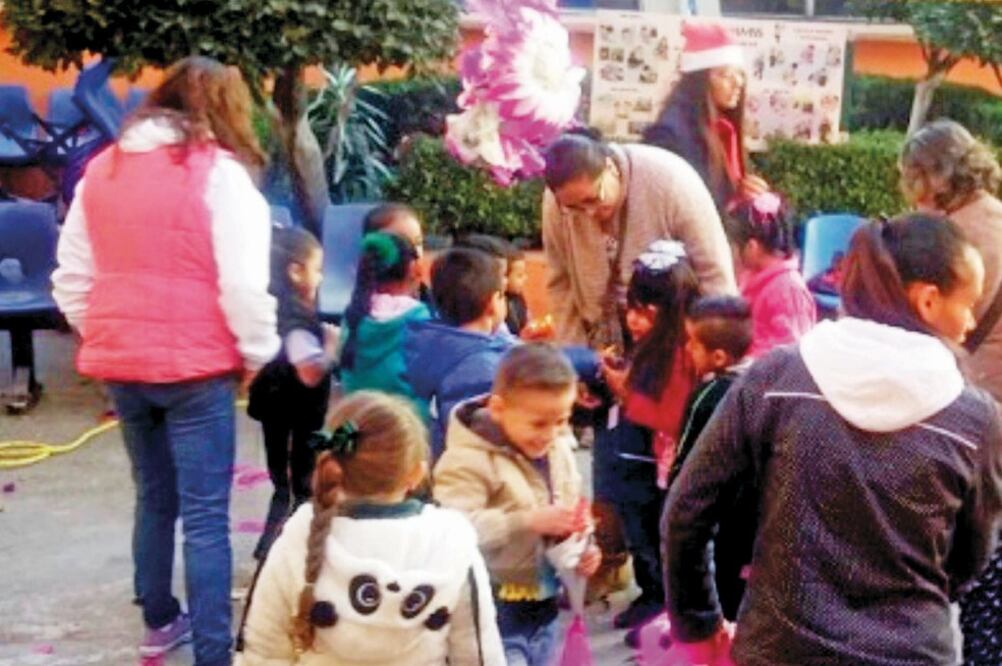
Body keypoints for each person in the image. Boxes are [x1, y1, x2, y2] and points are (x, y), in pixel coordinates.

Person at [663, 213, 1002, 665]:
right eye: (968, 304)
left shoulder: (774, 380)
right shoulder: (974, 422)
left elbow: (685, 516)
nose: (969, 323)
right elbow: (968, 561)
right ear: (927, 301)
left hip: (776, 650)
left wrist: (699, 627)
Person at [52, 56, 279, 665]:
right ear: (228, 110)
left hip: (123, 368)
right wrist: (259, 353)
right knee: (206, 517)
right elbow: (242, 287)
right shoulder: (221, 176)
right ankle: (212, 653)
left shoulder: (103, 169)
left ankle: (158, 619)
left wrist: (110, 331)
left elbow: (71, 278)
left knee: (153, 496)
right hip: (196, 372)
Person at [236, 391, 505, 665]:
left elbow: (263, 648)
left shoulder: (302, 532)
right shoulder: (451, 539)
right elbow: (479, 652)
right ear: (416, 474)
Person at [900, 119, 1002, 666]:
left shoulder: (954, 237)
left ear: (931, 176)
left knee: (971, 561)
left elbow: (926, 326)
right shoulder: (995, 214)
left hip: (974, 408)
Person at [434, 344, 602, 666]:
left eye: (561, 421)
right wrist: (526, 521)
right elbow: (452, 530)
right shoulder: (467, 459)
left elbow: (572, 506)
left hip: (545, 604)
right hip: (491, 608)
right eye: (539, 423)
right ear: (498, 408)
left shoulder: (558, 450)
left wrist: (585, 548)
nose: (550, 434)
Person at [542, 133, 735, 352]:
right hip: (600, 343)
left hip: (674, 343)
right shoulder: (558, 202)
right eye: (575, 209)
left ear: (610, 168)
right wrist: (576, 361)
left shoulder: (671, 180)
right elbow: (561, 284)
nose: (589, 213)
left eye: (593, 199)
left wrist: (714, 355)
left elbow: (714, 274)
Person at [594, 240, 698, 646]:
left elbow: (673, 415)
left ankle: (667, 603)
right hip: (644, 458)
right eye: (632, 309)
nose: (634, 321)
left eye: (646, 313)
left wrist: (625, 394)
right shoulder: (655, 345)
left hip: (673, 466)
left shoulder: (685, 350)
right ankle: (651, 593)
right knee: (640, 528)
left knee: (662, 534)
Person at [405, 248, 599, 458]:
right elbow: (536, 362)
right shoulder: (483, 365)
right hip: (487, 476)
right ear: (492, 304)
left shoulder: (443, 346)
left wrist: (590, 360)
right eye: (502, 296)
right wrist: (593, 361)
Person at [247, 227, 338, 561]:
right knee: (291, 488)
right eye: (317, 269)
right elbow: (310, 374)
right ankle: (270, 555)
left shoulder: (285, 311)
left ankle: (282, 550)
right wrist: (331, 349)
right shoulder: (295, 323)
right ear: (295, 271)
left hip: (292, 419)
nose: (322, 276)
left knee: (298, 486)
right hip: (290, 419)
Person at [667, 295, 754, 621]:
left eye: (692, 343)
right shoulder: (759, 387)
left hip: (714, 519)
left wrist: (673, 502)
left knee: (712, 591)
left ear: (718, 356)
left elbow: (685, 464)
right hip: (750, 522)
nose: (687, 350)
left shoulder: (706, 397)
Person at [642, 21, 769, 211]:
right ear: (699, 81)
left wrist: (745, 191)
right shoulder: (670, 133)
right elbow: (683, 205)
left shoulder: (723, 127)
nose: (738, 83)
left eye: (740, 74)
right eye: (726, 75)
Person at [339, 231, 430, 417]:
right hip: (405, 426)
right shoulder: (420, 317)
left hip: (356, 421)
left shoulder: (353, 313)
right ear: (413, 269)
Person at [726, 191, 816, 357]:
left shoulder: (788, 291)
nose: (731, 252)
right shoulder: (750, 275)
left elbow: (790, 354)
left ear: (752, 247)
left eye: (733, 246)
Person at [362, 203, 431, 306]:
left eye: (418, 243)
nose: (414, 251)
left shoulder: (430, 295)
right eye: (401, 243)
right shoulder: (366, 299)